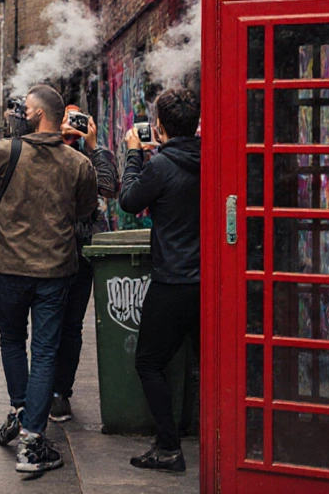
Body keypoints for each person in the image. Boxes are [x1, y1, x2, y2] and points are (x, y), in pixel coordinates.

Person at [0, 84, 98, 473]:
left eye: (25, 109)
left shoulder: (4, 151)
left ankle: (20, 409)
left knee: (13, 340)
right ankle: (32, 439)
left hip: (11, 269)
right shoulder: (78, 164)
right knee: (45, 350)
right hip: (55, 270)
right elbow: (84, 210)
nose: (19, 113)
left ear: (40, 114)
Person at [119, 87, 201, 473]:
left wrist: (135, 153)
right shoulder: (211, 157)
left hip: (172, 282)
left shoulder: (161, 165)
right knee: (205, 363)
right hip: (209, 284)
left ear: (159, 126)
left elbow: (129, 201)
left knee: (149, 362)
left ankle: (169, 446)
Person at [48, 109, 118, 423]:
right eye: (67, 118)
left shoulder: (89, 156)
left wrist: (93, 146)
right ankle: (40, 391)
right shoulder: (43, 151)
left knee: (71, 325)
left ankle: (61, 392)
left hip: (81, 251)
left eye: (79, 119)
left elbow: (108, 189)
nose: (73, 125)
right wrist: (55, 139)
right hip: (47, 251)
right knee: (47, 323)